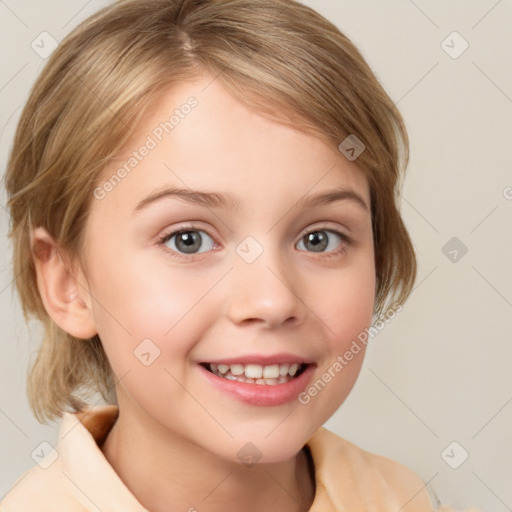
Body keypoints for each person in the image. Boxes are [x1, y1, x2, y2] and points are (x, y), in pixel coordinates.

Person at [0, 0, 480, 510]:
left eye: (320, 238)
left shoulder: (401, 498)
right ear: (67, 282)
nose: (272, 301)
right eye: (188, 239)